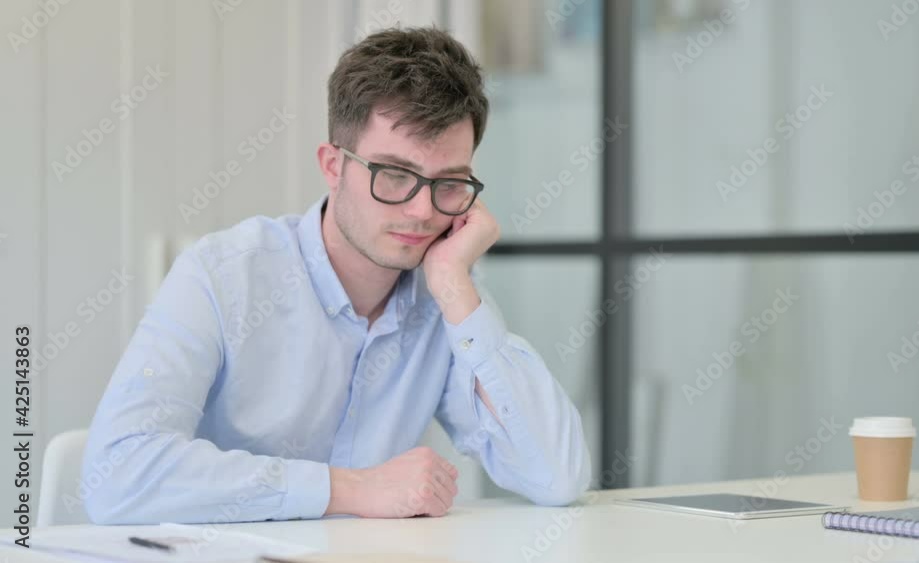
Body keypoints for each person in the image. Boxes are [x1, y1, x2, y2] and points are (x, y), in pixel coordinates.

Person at [82, 26, 590, 525]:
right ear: (332, 166)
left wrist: (458, 287)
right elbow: (117, 473)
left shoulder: (443, 292)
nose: (422, 212)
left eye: (450, 183)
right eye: (395, 175)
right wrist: (351, 489)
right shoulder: (222, 276)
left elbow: (557, 477)